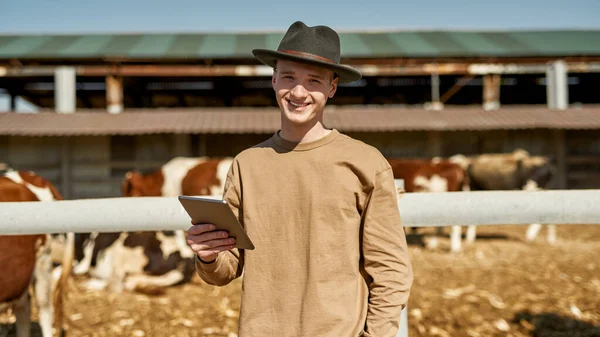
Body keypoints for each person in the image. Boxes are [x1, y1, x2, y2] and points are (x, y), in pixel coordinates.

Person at [186, 21, 413, 337]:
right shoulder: (246, 165)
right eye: (289, 77)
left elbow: (390, 269)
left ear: (332, 87)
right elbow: (226, 269)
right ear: (274, 78)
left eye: (314, 80)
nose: (298, 92)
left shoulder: (365, 163)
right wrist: (209, 255)